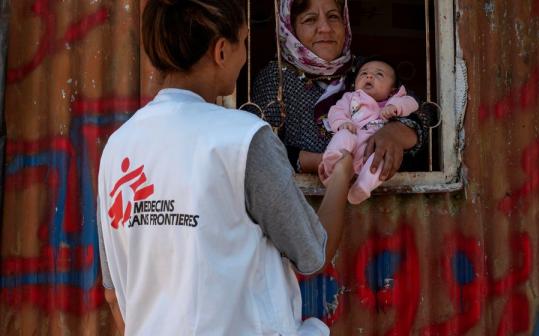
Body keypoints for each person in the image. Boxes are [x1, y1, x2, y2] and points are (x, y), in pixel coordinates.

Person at [96, 0, 353, 335]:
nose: (246, 56)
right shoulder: (244, 139)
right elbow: (313, 254)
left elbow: (114, 295)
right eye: (243, 43)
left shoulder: (118, 147)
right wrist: (343, 173)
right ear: (220, 52)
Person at [251, 0, 433, 180]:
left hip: (377, 193)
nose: (325, 28)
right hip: (307, 201)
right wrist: (327, 163)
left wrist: (394, 133)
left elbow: (425, 112)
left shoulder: (364, 70)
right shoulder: (277, 78)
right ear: (290, 28)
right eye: (310, 19)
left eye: (333, 16)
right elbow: (260, 152)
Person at [320, 57, 419, 204]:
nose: (369, 76)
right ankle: (332, 162)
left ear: (392, 90)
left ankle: (363, 187)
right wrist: (343, 122)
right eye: (363, 73)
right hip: (352, 141)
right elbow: (336, 111)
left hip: (371, 150)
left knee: (382, 158)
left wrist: (395, 108)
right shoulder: (350, 97)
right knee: (343, 136)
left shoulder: (394, 100)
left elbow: (412, 103)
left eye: (379, 74)